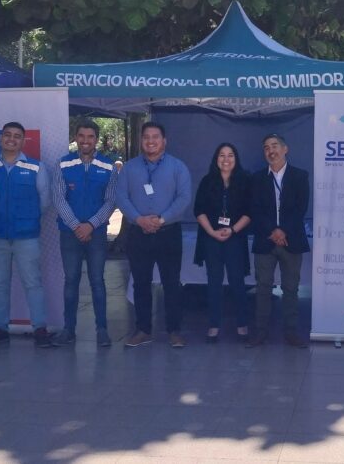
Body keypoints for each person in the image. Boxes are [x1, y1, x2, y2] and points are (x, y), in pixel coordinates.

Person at [0, 121, 55, 349]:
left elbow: (45, 201)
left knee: (33, 283)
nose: (11, 139)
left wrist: (26, 218)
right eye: (7, 135)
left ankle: (40, 329)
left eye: (17, 136)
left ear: (23, 141)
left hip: (26, 236)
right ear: (0, 138)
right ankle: (0, 329)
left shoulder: (36, 168)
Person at [116, 122, 192, 349]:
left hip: (168, 233)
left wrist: (161, 219)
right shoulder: (129, 168)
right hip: (138, 233)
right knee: (141, 283)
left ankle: (174, 331)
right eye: (146, 137)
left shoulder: (178, 167)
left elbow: (184, 198)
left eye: (155, 137)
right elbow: (121, 197)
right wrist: (139, 219)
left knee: (172, 283)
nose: (151, 141)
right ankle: (143, 330)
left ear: (164, 141)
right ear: (141, 141)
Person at [51, 120, 118, 348]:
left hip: (96, 234)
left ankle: (102, 330)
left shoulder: (108, 166)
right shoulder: (63, 164)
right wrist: (76, 226)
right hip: (69, 233)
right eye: (81, 136)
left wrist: (90, 225)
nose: (85, 141)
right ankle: (68, 329)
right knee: (71, 281)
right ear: (76, 138)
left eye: (90, 136)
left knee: (97, 281)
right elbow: (58, 198)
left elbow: (111, 200)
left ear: (96, 139)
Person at [247, 134, 310, 348]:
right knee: (263, 288)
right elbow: (254, 209)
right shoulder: (257, 178)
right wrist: (272, 231)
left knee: (291, 288)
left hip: (292, 240)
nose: (270, 151)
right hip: (265, 241)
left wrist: (283, 231)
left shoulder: (300, 176)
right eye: (266, 148)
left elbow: (301, 208)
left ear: (285, 149)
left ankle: (291, 333)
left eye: (274, 146)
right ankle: (260, 333)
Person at [193, 143, 252, 343]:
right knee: (214, 282)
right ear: (216, 159)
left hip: (235, 238)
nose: (226, 159)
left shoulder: (244, 181)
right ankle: (214, 325)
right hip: (211, 238)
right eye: (222, 155)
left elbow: (250, 212)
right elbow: (198, 210)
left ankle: (242, 324)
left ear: (236, 159)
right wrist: (212, 232)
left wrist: (232, 229)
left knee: (237, 282)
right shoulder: (207, 181)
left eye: (230, 155)